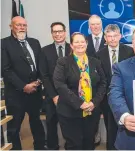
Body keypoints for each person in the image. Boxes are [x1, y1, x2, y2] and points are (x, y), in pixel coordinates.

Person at [53, 32, 107, 150]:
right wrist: (80, 104)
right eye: (76, 42)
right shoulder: (63, 62)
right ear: (71, 45)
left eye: (82, 41)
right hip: (70, 112)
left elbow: (103, 83)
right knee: (74, 145)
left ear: (86, 44)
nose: (80, 44)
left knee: (89, 144)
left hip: (91, 112)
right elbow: (60, 85)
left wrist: (94, 102)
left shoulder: (95, 62)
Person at [1, 16, 46, 150]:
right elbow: (5, 69)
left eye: (24, 25)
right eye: (18, 25)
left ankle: (39, 147)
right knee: (14, 128)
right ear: (11, 27)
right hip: (16, 95)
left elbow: (41, 65)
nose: (22, 28)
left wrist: (38, 82)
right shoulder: (3, 44)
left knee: (36, 123)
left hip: (35, 91)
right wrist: (23, 86)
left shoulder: (34, 42)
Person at [96, 24, 134, 150]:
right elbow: (100, 78)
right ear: (105, 38)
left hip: (126, 97)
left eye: (115, 36)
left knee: (125, 127)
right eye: (109, 36)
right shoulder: (99, 54)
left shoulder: (129, 51)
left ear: (120, 36)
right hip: (107, 98)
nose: (112, 39)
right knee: (110, 128)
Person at [39, 22, 71, 150]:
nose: (57, 34)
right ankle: (53, 147)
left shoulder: (73, 48)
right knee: (51, 124)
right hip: (51, 96)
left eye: (60, 31)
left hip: (71, 96)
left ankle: (70, 147)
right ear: (52, 34)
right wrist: (54, 96)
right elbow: (44, 75)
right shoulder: (44, 51)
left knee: (69, 124)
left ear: (65, 32)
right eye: (55, 32)